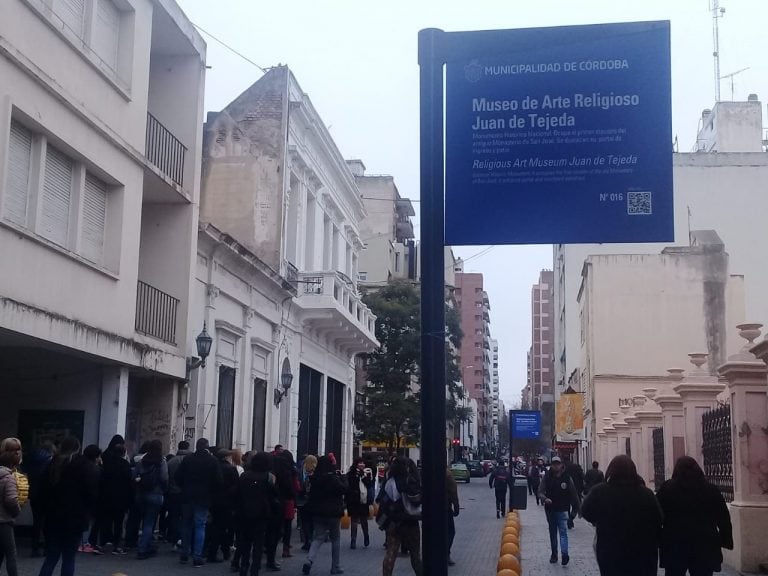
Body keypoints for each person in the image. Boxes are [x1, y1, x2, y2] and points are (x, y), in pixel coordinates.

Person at [581, 455, 662, 576]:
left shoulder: (600, 491)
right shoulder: (646, 494)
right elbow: (659, 518)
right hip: (642, 550)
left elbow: (586, 511)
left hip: (610, 549)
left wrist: (598, 521)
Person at [656, 456, 733, 576]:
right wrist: (725, 539)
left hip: (674, 544)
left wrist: (660, 539)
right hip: (704, 545)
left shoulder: (667, 489)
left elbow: (657, 515)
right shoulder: (711, 490)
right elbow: (723, 518)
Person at [37, 436, 99, 576]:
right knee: (69, 559)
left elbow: (43, 492)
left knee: (51, 558)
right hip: (75, 518)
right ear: (78, 448)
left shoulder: (52, 464)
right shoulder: (85, 467)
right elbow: (91, 494)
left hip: (53, 517)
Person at [175, 438, 223, 567]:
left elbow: (177, 476)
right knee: (200, 525)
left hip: (187, 496)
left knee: (186, 525)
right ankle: (197, 556)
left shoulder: (188, 459)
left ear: (196, 446)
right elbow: (218, 481)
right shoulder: (212, 461)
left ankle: (184, 554)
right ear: (207, 447)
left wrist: (184, 486)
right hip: (203, 497)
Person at [235, 452, 280, 576]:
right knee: (258, 543)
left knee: (246, 541)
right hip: (261, 513)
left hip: (244, 512)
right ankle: (255, 569)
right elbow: (274, 495)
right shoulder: (269, 477)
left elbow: (237, 493)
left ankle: (244, 566)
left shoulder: (244, 476)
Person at [301, 455, 347, 575]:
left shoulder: (314, 478)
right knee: (335, 539)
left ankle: (309, 560)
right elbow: (344, 489)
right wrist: (343, 477)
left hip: (318, 512)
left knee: (318, 538)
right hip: (333, 513)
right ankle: (335, 566)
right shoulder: (333, 478)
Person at [377, 456, 422, 576]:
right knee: (415, 555)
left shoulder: (390, 481)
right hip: (410, 522)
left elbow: (383, 501)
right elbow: (417, 500)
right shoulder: (409, 480)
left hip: (394, 523)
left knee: (391, 553)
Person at [538, 455, 580, 566]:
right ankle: (554, 554)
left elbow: (574, 494)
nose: (556, 466)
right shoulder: (547, 477)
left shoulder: (567, 478)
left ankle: (565, 554)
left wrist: (576, 510)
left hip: (563, 509)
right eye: (554, 464)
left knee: (563, 532)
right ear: (551, 465)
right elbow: (540, 491)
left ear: (561, 465)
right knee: (552, 532)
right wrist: (545, 499)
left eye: (558, 464)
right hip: (550, 510)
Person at [95, 435, 132, 554]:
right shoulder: (125, 464)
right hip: (120, 497)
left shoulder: (105, 459)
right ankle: (116, 545)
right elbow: (128, 481)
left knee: (106, 520)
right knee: (118, 522)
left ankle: (103, 542)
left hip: (106, 495)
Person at [135, 439, 168, 559]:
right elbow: (164, 477)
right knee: (150, 522)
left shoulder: (142, 461)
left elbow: (135, 476)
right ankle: (143, 548)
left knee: (145, 521)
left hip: (142, 493)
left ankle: (145, 544)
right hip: (156, 493)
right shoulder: (161, 461)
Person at [207, 449, 238, 564]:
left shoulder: (212, 467)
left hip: (214, 501)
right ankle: (218, 552)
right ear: (226, 458)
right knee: (222, 527)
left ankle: (220, 551)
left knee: (217, 525)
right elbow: (236, 486)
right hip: (227, 502)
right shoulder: (231, 469)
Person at [25, 441, 53, 558]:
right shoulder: (49, 461)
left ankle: (34, 547)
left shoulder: (32, 460)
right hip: (47, 495)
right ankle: (47, 548)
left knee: (37, 522)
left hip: (34, 494)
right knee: (48, 522)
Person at [0, 438, 23, 576]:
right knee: (11, 554)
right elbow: (11, 500)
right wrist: (16, 512)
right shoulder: (8, 478)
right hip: (4, 521)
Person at [166, 440, 192, 549]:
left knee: (174, 517)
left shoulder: (171, 461)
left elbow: (166, 477)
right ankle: (184, 540)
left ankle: (174, 540)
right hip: (186, 493)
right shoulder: (190, 460)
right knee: (186, 518)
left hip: (173, 493)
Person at [346, 457, 373, 549]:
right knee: (354, 519)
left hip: (363, 500)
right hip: (354, 500)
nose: (362, 464)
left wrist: (364, 476)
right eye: (360, 463)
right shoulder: (351, 474)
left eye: (363, 463)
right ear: (356, 464)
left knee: (363, 520)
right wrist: (357, 476)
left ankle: (366, 536)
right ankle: (353, 540)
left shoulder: (367, 474)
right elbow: (350, 485)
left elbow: (369, 485)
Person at [297, 455, 317, 551]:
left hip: (302, 499)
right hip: (313, 500)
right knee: (312, 521)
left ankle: (307, 540)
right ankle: (310, 539)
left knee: (304, 521)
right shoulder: (316, 471)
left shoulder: (300, 470)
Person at [563, 456, 584, 529]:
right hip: (577, 489)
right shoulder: (577, 467)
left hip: (566, 490)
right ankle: (571, 518)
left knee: (567, 507)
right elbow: (582, 477)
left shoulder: (564, 469)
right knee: (575, 506)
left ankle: (569, 520)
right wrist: (581, 488)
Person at [446, 466, 460, 567]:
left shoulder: (427, 472)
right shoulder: (447, 475)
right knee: (450, 531)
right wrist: (456, 507)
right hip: (444, 509)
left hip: (430, 509)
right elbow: (453, 492)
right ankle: (446, 553)